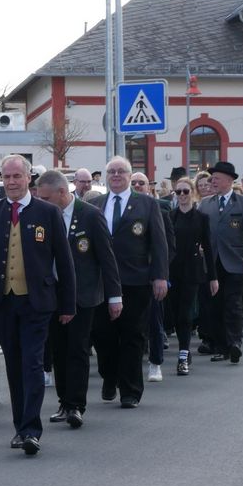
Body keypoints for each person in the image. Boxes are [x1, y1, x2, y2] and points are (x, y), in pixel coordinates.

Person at [0, 154, 76, 456]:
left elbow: (64, 263)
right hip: (3, 303)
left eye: (17, 176)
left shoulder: (47, 213)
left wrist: (68, 304)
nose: (12, 182)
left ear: (29, 178)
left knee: (32, 363)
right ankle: (20, 427)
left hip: (37, 303)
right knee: (14, 365)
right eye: (7, 177)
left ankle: (31, 430)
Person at [34, 170, 120, 429]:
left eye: (47, 198)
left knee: (78, 348)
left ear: (63, 192)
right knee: (58, 349)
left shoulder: (90, 215)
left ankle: (76, 405)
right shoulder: (43, 215)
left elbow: (107, 258)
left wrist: (115, 295)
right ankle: (64, 401)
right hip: (52, 293)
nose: (42, 202)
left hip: (83, 294)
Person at [89, 157, 169, 407]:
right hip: (101, 282)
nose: (115, 175)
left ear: (129, 175)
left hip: (135, 280)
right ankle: (109, 377)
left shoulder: (146, 204)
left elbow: (158, 242)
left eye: (120, 171)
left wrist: (160, 276)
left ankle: (131, 391)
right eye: (111, 171)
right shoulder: (94, 204)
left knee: (133, 335)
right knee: (103, 335)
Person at [198, 161, 243, 364]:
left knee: (233, 304)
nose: (212, 181)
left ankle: (234, 343)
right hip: (211, 263)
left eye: (217, 178)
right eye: (212, 178)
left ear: (229, 180)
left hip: (234, 262)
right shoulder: (205, 204)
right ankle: (221, 346)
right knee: (214, 306)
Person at [166, 176, 216, 373]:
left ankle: (183, 354)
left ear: (192, 193)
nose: (182, 195)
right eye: (178, 192)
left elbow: (209, 248)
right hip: (172, 270)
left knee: (186, 314)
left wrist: (213, 277)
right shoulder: (170, 216)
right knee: (175, 315)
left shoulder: (201, 218)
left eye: (186, 191)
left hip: (192, 270)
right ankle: (184, 348)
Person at [130, 172, 175, 382]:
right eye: (134, 183)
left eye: (142, 183)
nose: (137, 185)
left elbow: (166, 247)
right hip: (128, 276)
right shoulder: (122, 210)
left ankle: (155, 363)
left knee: (154, 321)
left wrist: (160, 274)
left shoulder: (159, 208)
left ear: (149, 187)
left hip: (151, 276)